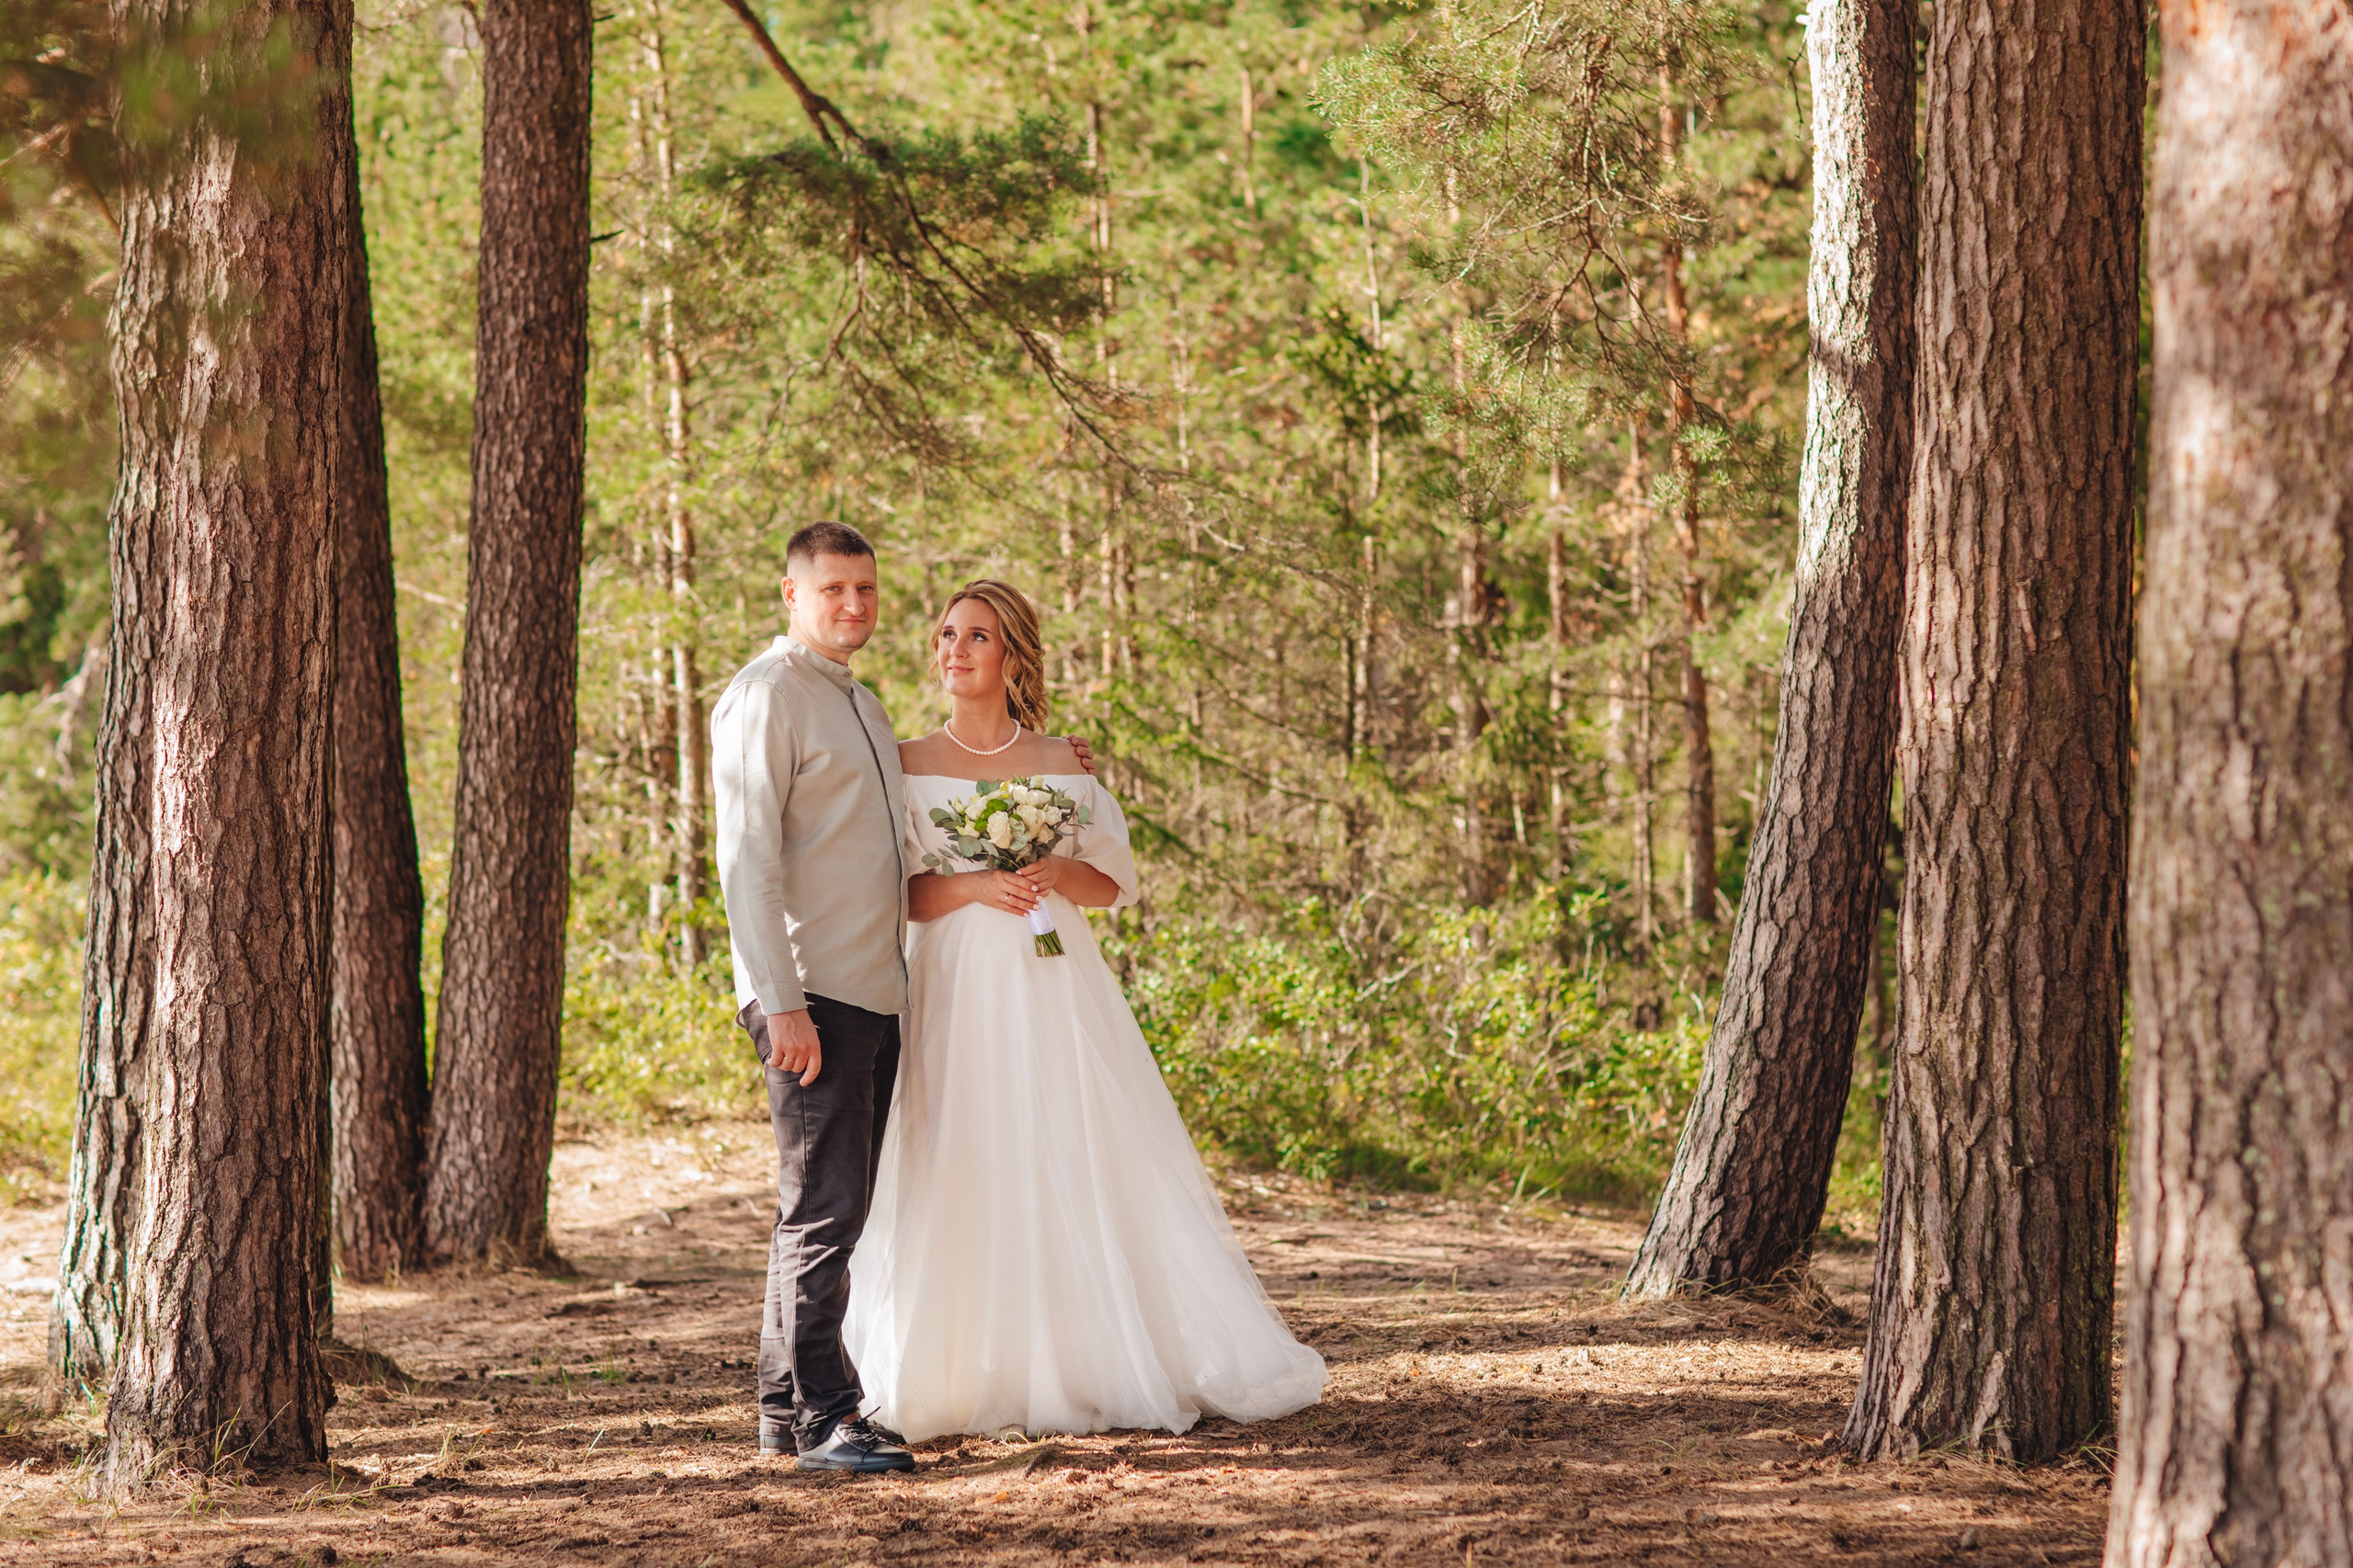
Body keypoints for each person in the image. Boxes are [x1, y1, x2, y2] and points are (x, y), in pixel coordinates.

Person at [843, 579, 1327, 1440]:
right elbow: (897, 894)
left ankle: (1081, 1357)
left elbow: (1110, 886)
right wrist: (975, 882)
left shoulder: (1064, 766)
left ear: (1013, 657)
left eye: (977, 638)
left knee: (1062, 1143)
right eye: (947, 635)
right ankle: (955, 1365)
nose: (954, 650)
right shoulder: (905, 759)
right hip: (954, 984)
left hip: (1053, 980)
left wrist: (1058, 872)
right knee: (960, 1147)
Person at [710, 524, 1092, 1473]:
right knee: (826, 1214)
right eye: (833, 588)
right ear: (790, 593)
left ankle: (782, 1408)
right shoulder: (767, 697)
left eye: (867, 590)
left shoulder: (861, 705)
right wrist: (780, 998)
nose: (853, 606)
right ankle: (830, 1416)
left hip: (875, 991)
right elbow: (747, 860)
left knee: (827, 1205)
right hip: (814, 991)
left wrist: (1050, 761)